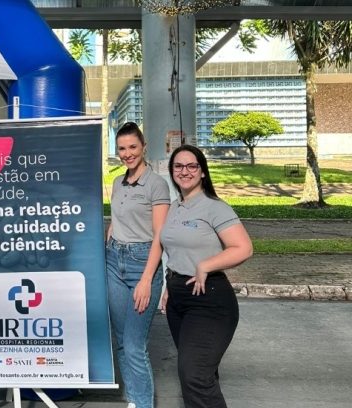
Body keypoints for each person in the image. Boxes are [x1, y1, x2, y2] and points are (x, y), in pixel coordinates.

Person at [160, 144, 253, 408]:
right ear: (172, 171)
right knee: (200, 374)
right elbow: (177, 251)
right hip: (179, 298)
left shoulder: (214, 207)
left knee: (195, 375)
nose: (185, 171)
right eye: (178, 166)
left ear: (202, 171)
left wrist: (205, 265)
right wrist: (169, 285)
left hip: (209, 300)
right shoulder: (176, 206)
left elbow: (244, 248)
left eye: (192, 166)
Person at [106, 122, 170, 408]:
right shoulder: (117, 183)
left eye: (133, 147)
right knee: (121, 341)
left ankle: (144, 404)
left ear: (144, 147)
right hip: (114, 261)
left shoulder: (156, 184)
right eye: (122, 148)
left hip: (142, 263)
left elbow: (160, 236)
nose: (127, 153)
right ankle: (133, 400)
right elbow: (116, 222)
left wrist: (146, 279)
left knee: (134, 345)